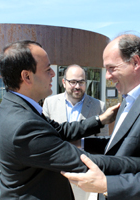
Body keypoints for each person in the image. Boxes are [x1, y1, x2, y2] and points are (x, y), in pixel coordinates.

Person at [0, 40, 140, 200]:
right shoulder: (23, 124)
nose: (53, 74)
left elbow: (61, 130)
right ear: (27, 76)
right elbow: (83, 161)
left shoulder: (17, 106)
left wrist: (100, 120)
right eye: (47, 70)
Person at [62, 34, 140, 200]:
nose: (107, 76)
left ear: (135, 62)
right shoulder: (129, 99)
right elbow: (121, 144)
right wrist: (81, 143)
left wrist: (106, 185)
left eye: (112, 68)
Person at [43, 64, 109, 199]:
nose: (77, 86)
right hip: (56, 170)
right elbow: (45, 140)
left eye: (81, 82)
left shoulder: (99, 106)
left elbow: (102, 144)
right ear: (64, 82)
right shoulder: (49, 103)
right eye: (73, 82)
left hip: (83, 172)